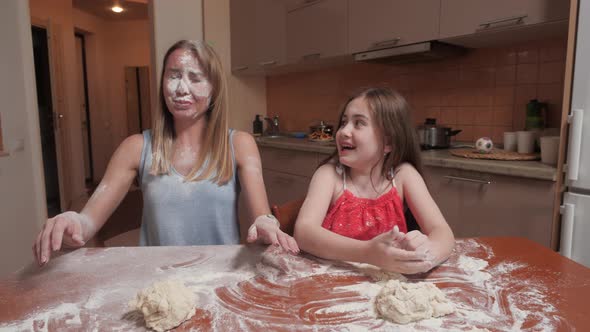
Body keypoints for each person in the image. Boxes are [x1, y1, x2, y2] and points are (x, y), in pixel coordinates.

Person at [33, 40, 299, 266]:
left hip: (218, 277)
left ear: (215, 88)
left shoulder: (239, 144)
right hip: (155, 278)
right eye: (173, 76)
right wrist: (71, 224)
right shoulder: (136, 147)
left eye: (195, 77)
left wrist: (266, 225)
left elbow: (261, 216)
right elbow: (87, 222)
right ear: (162, 84)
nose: (182, 88)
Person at [294, 87, 454, 274]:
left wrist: (426, 254)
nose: (344, 131)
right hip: (332, 280)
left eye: (359, 123)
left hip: (386, 283)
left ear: (388, 143)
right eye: (344, 122)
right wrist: (367, 253)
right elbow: (304, 232)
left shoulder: (403, 176)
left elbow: (441, 231)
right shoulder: (329, 175)